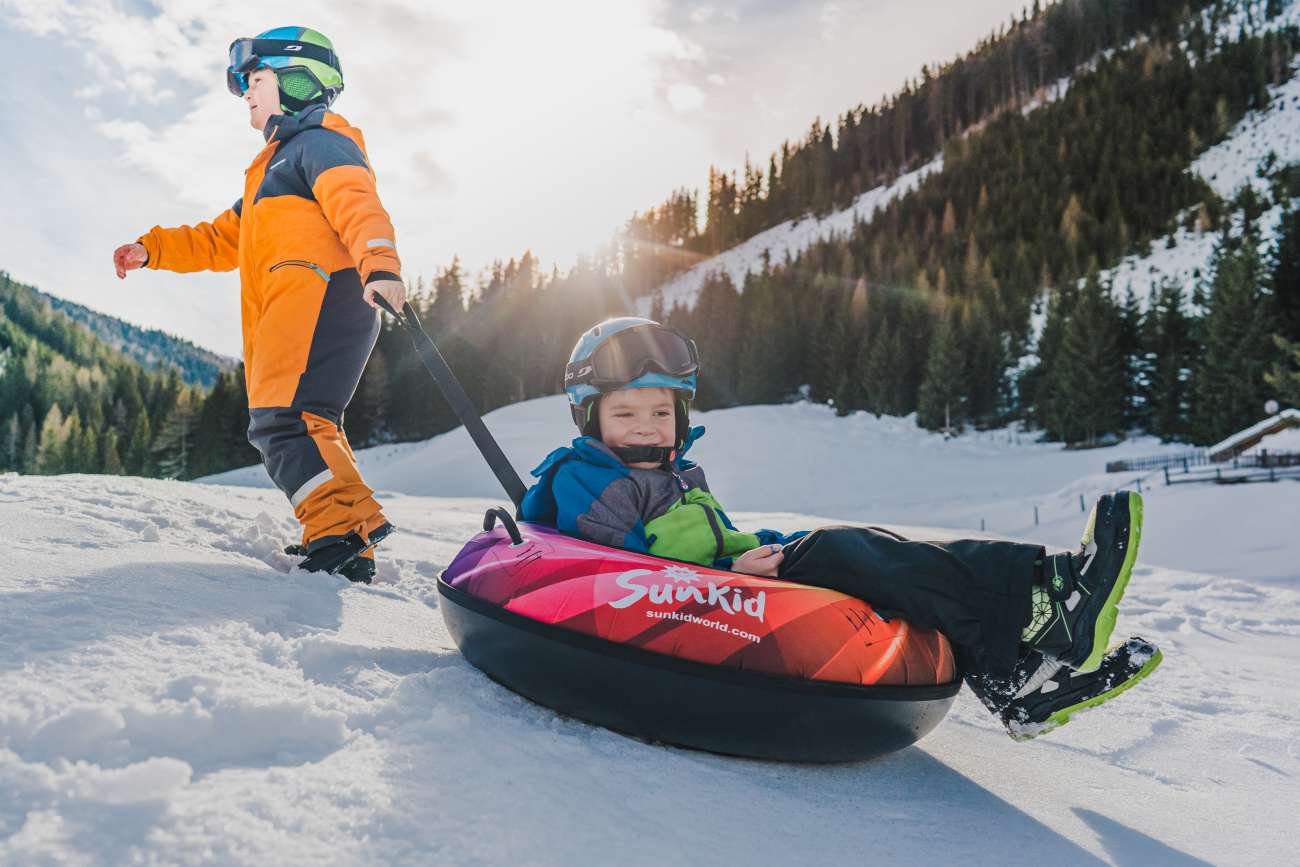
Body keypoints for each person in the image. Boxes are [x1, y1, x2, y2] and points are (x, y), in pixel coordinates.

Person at [520, 317, 1163, 739]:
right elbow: (612, 568)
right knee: (843, 550)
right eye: (626, 411)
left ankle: (1015, 682)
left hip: (726, 589)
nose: (646, 425)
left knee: (876, 558)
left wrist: (758, 551)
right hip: (694, 602)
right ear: (589, 419)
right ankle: (1047, 596)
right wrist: (722, 574)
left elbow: (719, 539)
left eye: (662, 410)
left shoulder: (679, 475)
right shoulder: (591, 477)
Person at [112, 27, 401, 583]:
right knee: (311, 422)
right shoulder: (271, 171)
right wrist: (153, 249)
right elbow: (221, 238)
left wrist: (381, 262)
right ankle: (346, 536)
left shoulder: (320, 142)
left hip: (318, 294)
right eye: (245, 81)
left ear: (298, 80)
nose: (246, 90)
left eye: (256, 78)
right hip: (310, 302)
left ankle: (337, 531)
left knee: (278, 422)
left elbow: (357, 202)